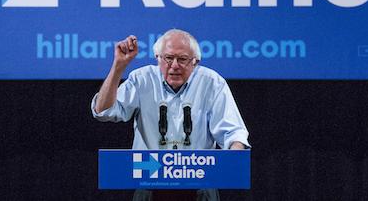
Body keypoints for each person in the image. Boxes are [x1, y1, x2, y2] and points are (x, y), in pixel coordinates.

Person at [91, 29, 250, 201]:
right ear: (158, 58)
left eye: (182, 59)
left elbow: (234, 133)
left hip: (199, 186)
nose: (174, 65)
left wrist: (233, 158)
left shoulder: (213, 83)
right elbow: (103, 111)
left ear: (195, 62)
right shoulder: (141, 79)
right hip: (149, 183)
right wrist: (118, 67)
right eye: (168, 58)